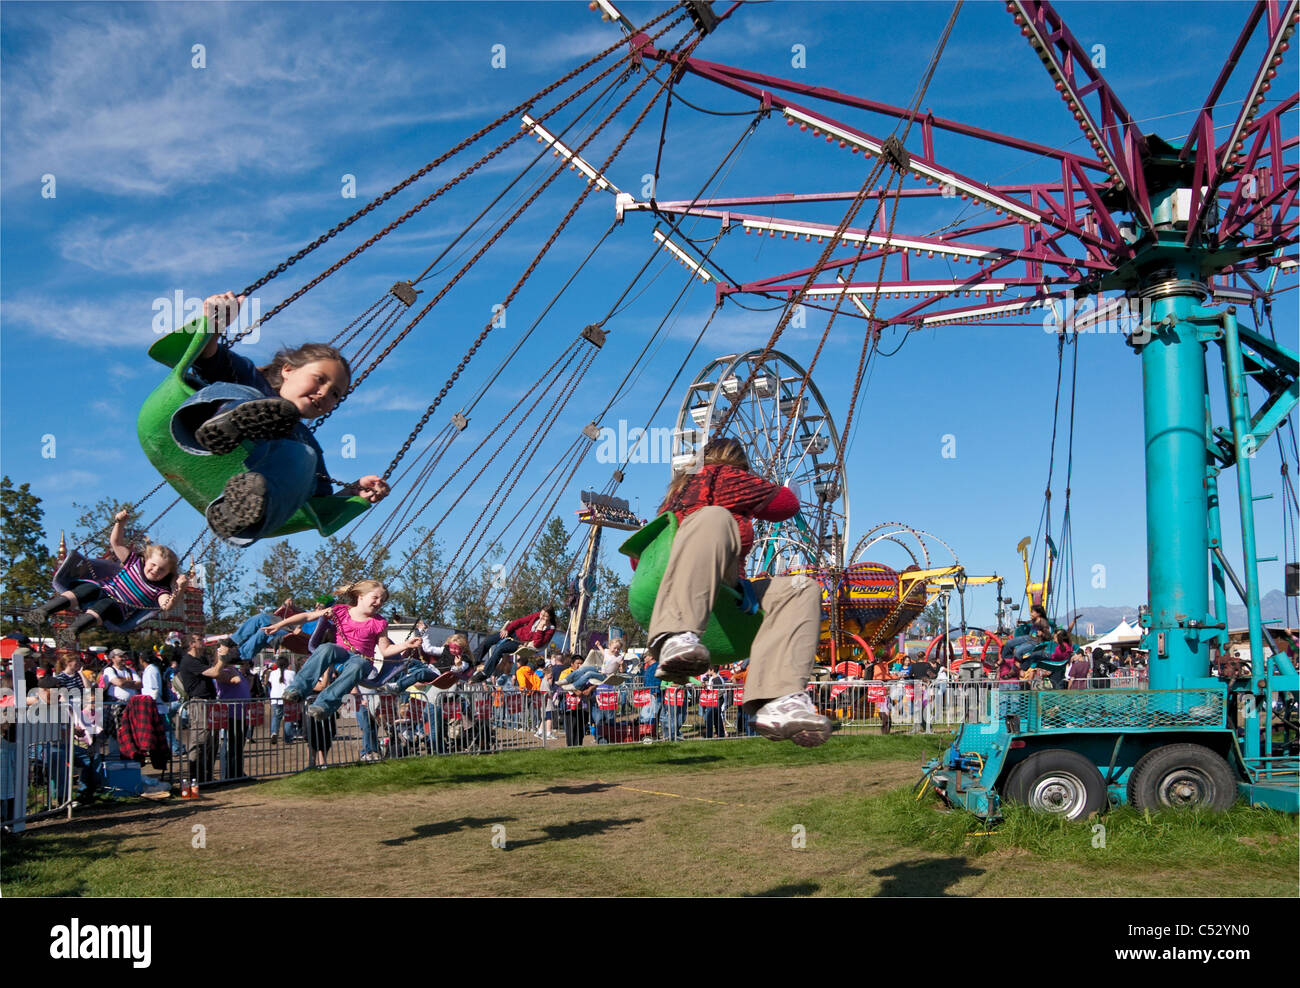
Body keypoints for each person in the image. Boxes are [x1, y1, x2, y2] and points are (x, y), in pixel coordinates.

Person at [635, 438, 829, 747]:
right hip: (704, 599)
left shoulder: (672, 497)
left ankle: (778, 699)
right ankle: (676, 633)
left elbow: (638, 558)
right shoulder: (727, 476)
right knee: (716, 518)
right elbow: (787, 505)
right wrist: (771, 486)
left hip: (666, 598)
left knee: (800, 588)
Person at [171, 291, 392, 543]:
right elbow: (208, 356)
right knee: (244, 392)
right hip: (191, 433)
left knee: (303, 457)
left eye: (335, 395)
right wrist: (213, 323)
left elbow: (314, 503)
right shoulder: (250, 377)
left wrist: (352, 491)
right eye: (320, 379)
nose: (324, 393)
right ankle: (228, 423)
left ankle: (236, 510)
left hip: (237, 479)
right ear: (288, 370)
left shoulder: (306, 443)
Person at [27, 510, 188, 642]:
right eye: (153, 565)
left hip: (119, 609)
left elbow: (167, 605)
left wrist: (180, 588)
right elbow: (116, 543)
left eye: (161, 570)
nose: (154, 571)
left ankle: (73, 630)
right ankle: (43, 611)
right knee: (89, 588)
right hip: (103, 590)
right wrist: (120, 523)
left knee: (106, 604)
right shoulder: (134, 562)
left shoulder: (160, 589)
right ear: (146, 560)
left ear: (168, 574)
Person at [272, 580, 422, 719]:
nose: (379, 603)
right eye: (375, 597)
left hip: (360, 661)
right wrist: (280, 625)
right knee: (326, 648)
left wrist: (406, 645)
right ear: (360, 596)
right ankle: (297, 689)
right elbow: (307, 616)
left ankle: (324, 705)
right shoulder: (340, 611)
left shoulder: (379, 622)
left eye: (382, 601)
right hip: (340, 655)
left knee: (359, 663)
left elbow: (386, 650)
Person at [176, 634, 233, 784]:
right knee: (200, 739)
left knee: (212, 740)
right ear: (191, 644)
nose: (204, 641)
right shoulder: (188, 661)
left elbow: (217, 673)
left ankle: (207, 776)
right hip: (199, 703)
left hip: (210, 702)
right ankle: (196, 777)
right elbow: (215, 672)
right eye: (200, 639)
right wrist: (223, 657)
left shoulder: (202, 659)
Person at [474, 608, 558, 679]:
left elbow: (537, 644)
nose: (542, 617)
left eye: (545, 616)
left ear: (550, 617)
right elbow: (520, 621)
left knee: (499, 649)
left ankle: (486, 673)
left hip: (521, 642)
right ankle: (474, 660)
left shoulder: (550, 629)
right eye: (541, 614)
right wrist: (508, 629)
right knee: (488, 640)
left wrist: (540, 628)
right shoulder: (537, 616)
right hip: (515, 633)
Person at [266, 654, 300, 743]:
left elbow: (270, 684)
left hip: (275, 698)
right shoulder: (292, 673)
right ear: (287, 664)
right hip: (288, 698)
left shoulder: (272, 673)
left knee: (276, 717)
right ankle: (288, 738)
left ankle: (274, 732)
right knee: (288, 718)